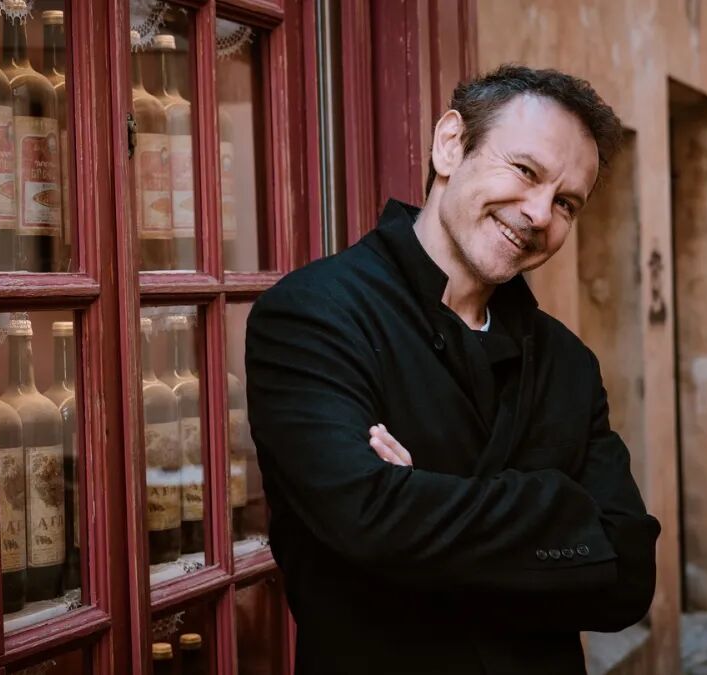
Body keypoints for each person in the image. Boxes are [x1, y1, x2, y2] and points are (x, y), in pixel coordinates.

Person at [245, 64, 660, 675]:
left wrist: (419, 507)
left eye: (566, 203)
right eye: (525, 171)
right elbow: (365, 520)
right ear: (450, 144)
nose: (539, 214)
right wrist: (560, 504)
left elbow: (629, 576)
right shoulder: (314, 314)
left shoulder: (568, 361)